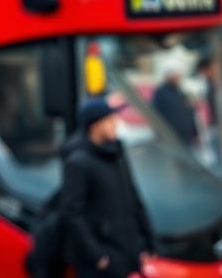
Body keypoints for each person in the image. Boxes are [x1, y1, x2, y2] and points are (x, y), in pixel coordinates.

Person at [61, 98, 154, 278]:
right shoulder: (78, 162)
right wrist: (98, 257)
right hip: (102, 264)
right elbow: (72, 213)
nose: (116, 124)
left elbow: (133, 198)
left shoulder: (117, 154)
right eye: (109, 120)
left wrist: (149, 242)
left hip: (127, 254)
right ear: (94, 126)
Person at [152, 62, 198, 145]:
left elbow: (190, 111)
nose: (178, 78)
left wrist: (195, 132)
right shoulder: (161, 93)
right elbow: (155, 115)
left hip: (187, 137)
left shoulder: (181, 91)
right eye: (175, 75)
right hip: (171, 137)